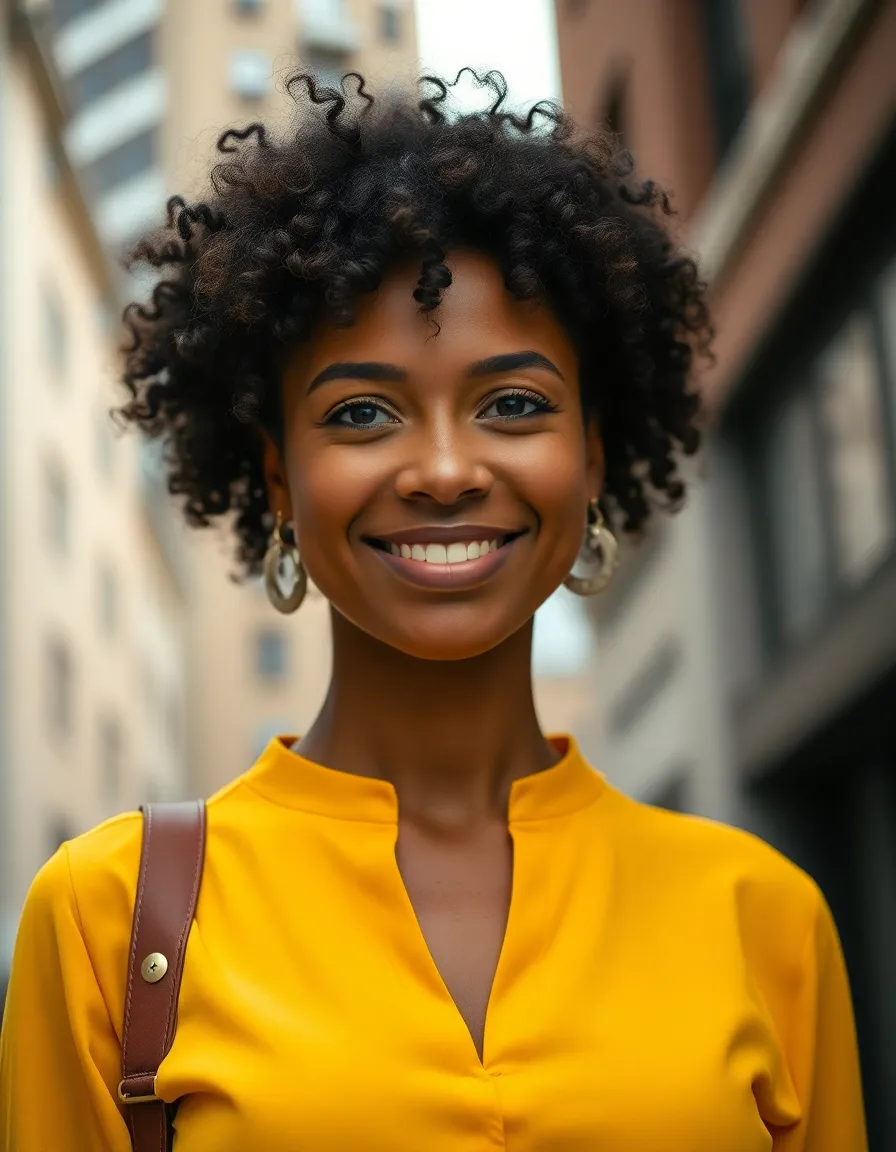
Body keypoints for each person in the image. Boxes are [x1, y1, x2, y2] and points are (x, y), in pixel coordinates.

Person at [0, 71, 865, 1151]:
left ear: (589, 457)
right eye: (362, 413)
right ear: (277, 477)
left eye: (513, 405)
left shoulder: (763, 917)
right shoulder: (109, 919)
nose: (446, 469)